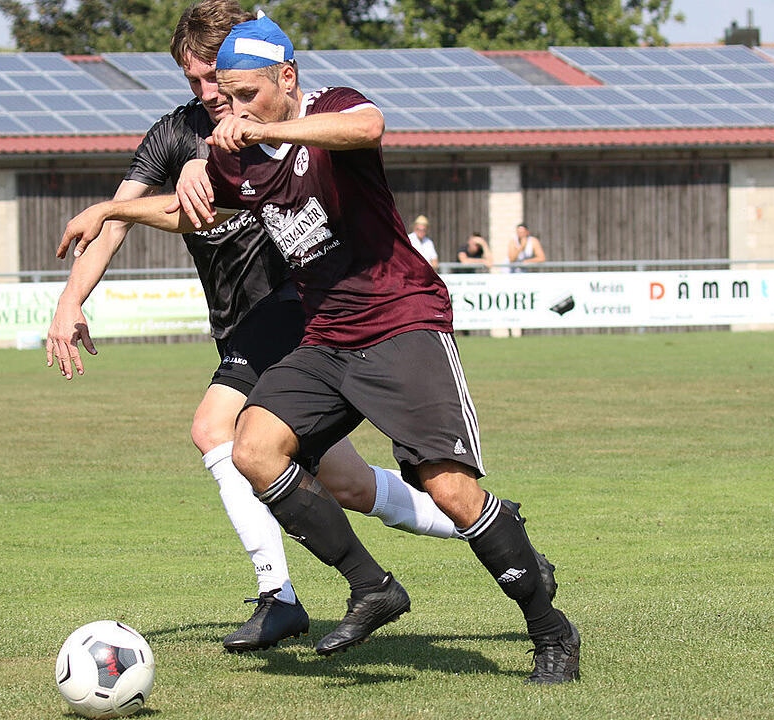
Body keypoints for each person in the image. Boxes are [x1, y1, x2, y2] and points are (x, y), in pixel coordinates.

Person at [58, 13, 578, 684]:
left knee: (449, 489)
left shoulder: (329, 110)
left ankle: (550, 632)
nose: (234, 109)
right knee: (251, 447)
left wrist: (266, 128)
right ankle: (372, 587)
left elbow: (369, 126)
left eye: (248, 94)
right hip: (325, 338)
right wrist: (111, 210)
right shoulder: (234, 155)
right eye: (228, 96)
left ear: (288, 79)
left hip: (400, 322)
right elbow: (197, 211)